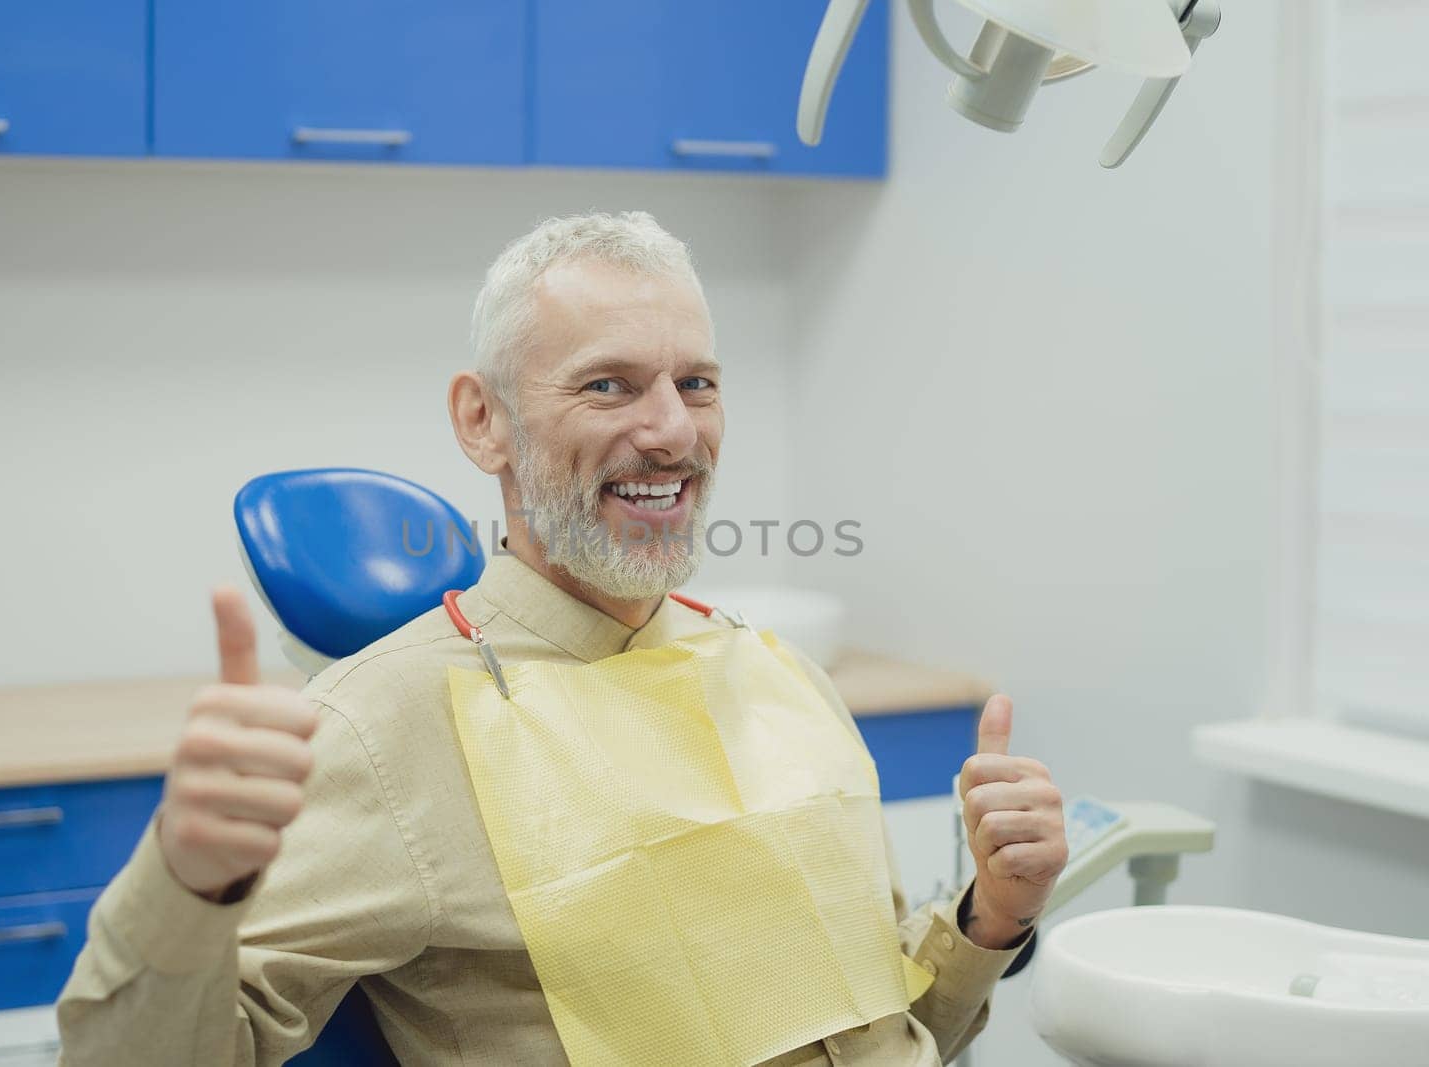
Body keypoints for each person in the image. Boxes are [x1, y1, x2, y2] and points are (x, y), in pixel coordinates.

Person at [55, 212, 1068, 1066]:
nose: (672, 431)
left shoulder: (779, 674)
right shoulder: (382, 730)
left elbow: (892, 1024)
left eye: (698, 383)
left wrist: (991, 916)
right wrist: (186, 883)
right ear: (482, 419)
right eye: (608, 385)